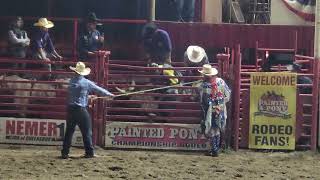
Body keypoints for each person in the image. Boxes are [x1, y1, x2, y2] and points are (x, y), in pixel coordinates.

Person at [61, 61, 115, 159]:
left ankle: (65, 152)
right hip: (80, 109)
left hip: (70, 109)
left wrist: (88, 96)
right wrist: (109, 95)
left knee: (69, 131)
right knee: (86, 131)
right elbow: (98, 89)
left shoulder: (71, 81)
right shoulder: (86, 82)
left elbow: (77, 94)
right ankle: (89, 152)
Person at [198, 64, 231, 157]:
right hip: (220, 109)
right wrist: (221, 103)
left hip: (210, 110)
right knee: (217, 129)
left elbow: (202, 100)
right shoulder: (221, 82)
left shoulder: (203, 86)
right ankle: (215, 149)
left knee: (211, 129)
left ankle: (214, 149)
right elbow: (228, 94)